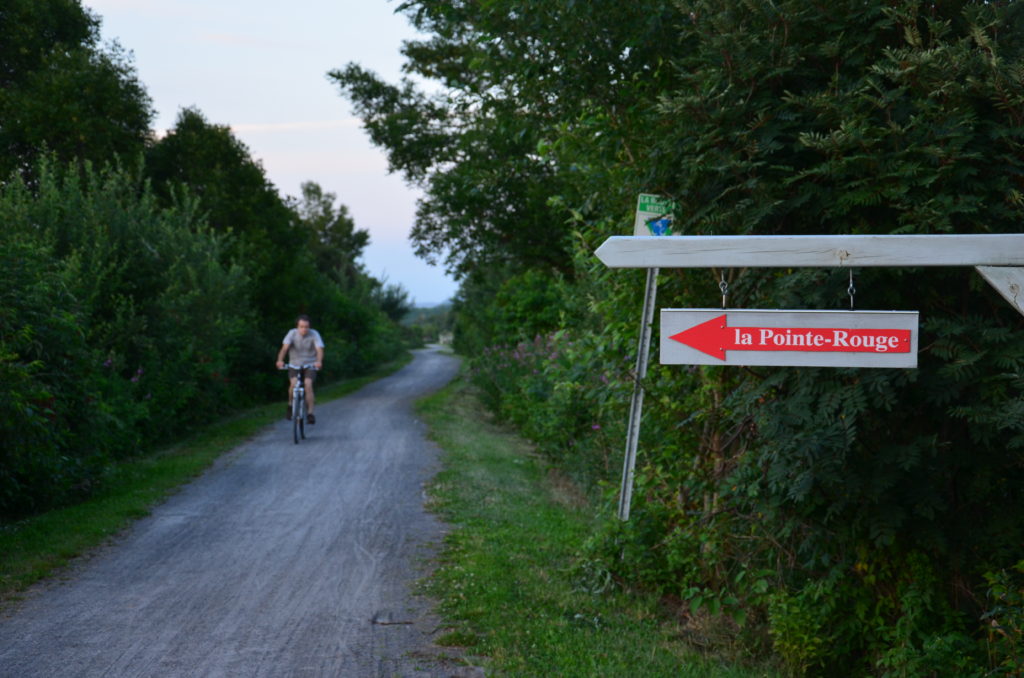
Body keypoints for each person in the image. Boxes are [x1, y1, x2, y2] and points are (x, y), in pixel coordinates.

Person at [275, 314, 325, 424]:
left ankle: (310, 413)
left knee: (308, 384)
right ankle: (290, 405)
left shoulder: (314, 334)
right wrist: (280, 360)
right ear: (297, 326)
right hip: (294, 364)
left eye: (306, 327)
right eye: (301, 327)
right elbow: (284, 349)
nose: (304, 329)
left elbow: (319, 350)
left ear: (309, 326)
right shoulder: (292, 333)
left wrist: (319, 361)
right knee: (293, 384)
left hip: (310, 364)